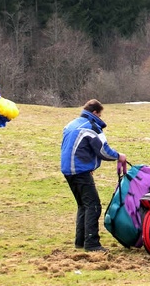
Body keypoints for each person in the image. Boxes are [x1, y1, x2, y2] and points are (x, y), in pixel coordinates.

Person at [61, 99, 126, 252]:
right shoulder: (92, 127)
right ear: (95, 112)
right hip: (80, 170)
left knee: (83, 205)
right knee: (94, 205)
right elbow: (103, 150)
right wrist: (119, 156)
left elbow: (74, 148)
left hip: (68, 170)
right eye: (100, 114)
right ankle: (92, 244)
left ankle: (80, 242)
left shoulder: (71, 124)